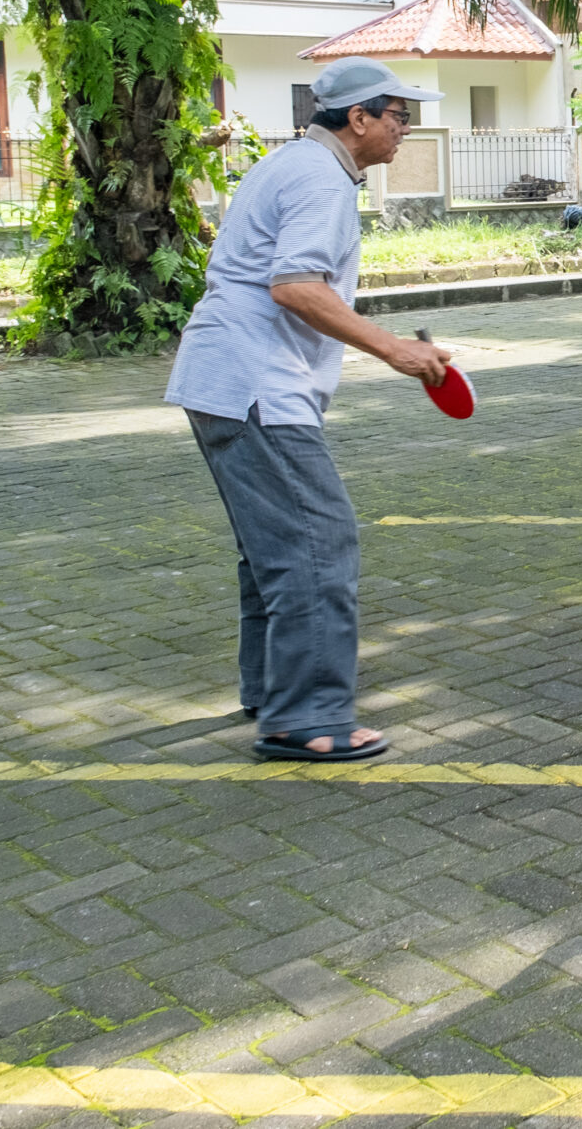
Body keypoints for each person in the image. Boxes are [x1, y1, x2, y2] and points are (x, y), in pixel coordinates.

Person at [165, 58, 452, 762]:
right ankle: (308, 717)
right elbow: (294, 285)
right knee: (321, 543)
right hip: (257, 386)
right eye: (397, 115)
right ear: (358, 119)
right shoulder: (322, 178)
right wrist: (394, 349)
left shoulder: (290, 164)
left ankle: (272, 691)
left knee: (271, 549)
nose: (404, 128)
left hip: (223, 380)